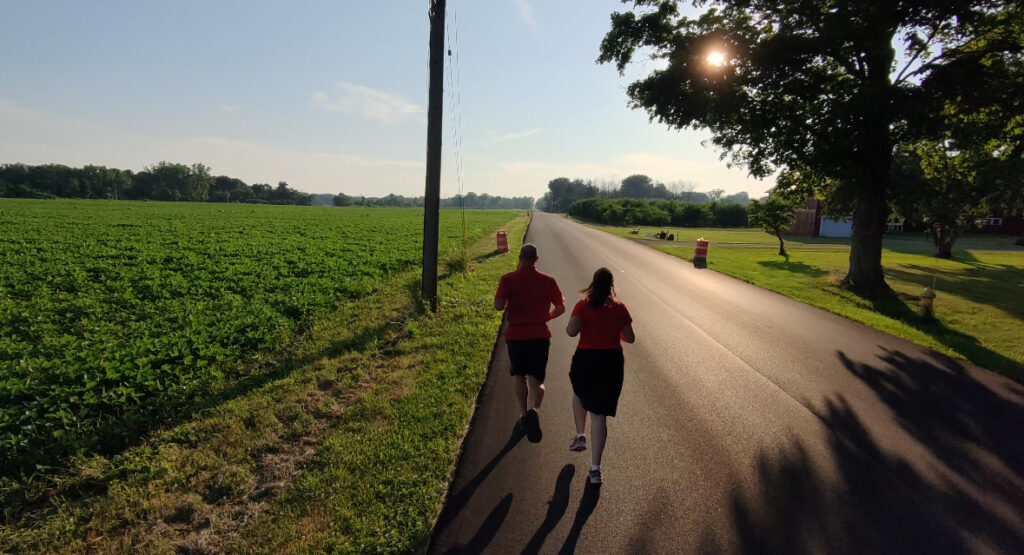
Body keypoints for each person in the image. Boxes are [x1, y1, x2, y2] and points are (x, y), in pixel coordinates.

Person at [565, 267, 635, 484]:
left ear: (593, 284)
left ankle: (579, 436)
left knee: (579, 391)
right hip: (611, 361)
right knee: (599, 415)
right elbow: (630, 338)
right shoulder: (620, 308)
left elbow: (571, 331)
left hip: (586, 358)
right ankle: (595, 469)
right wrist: (613, 331)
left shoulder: (582, 306)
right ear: (611, 286)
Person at [494, 243, 565, 443]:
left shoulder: (507, 279)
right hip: (540, 334)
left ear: (520, 257)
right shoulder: (548, 281)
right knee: (537, 380)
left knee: (519, 374)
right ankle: (535, 409)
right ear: (536, 259)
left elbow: (498, 306)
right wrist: (546, 318)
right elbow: (560, 308)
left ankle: (525, 414)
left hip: (516, 335)